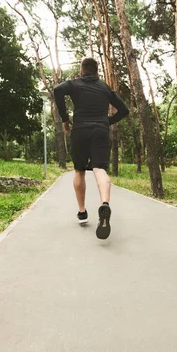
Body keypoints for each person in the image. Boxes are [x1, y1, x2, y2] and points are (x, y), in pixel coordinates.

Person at [54, 58, 129, 240]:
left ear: (81, 71)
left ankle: (82, 212)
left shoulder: (74, 84)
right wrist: (105, 122)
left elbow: (57, 90)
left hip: (79, 130)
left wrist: (65, 118)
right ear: (97, 73)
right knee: (100, 169)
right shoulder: (104, 87)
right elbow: (124, 110)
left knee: (79, 171)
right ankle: (105, 203)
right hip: (100, 132)